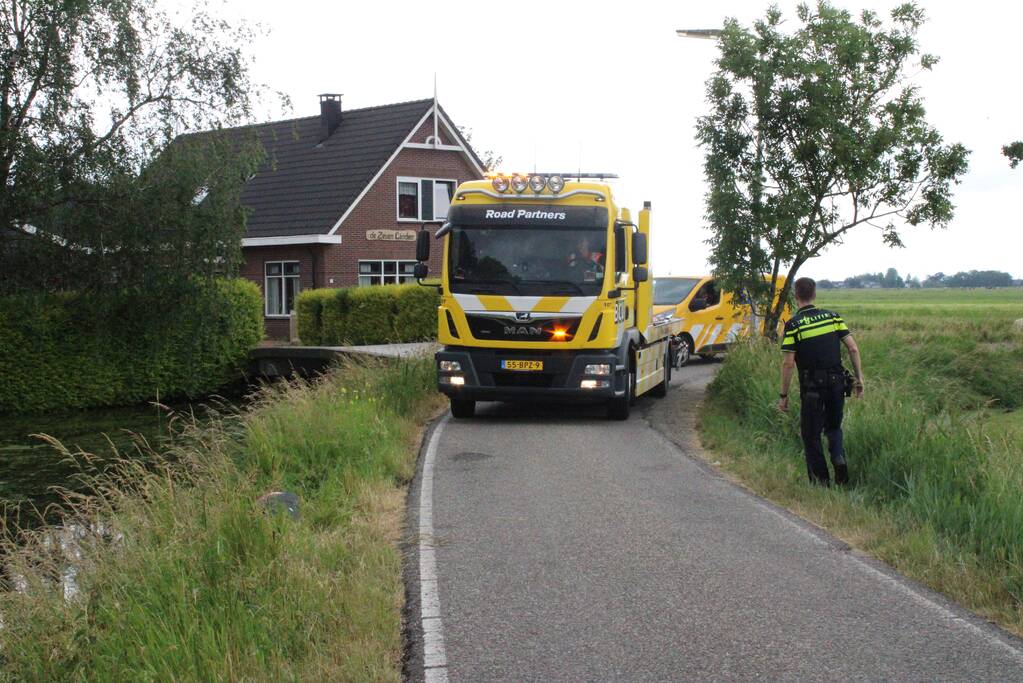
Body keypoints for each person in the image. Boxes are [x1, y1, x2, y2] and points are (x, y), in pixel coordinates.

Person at [778, 277, 864, 486]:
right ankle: (838, 458)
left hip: (811, 389)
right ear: (814, 294)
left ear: (796, 296)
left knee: (811, 435)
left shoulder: (793, 325)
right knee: (834, 428)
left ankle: (821, 482)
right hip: (837, 383)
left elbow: (788, 364)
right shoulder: (832, 318)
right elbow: (853, 348)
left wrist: (783, 395)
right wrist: (859, 379)